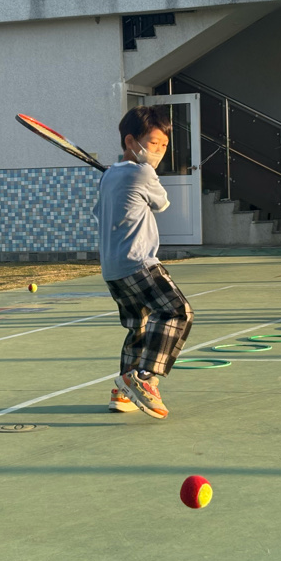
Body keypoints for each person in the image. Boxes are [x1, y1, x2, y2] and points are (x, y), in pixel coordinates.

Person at [93, 105, 193, 419]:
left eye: (164, 145)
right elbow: (162, 203)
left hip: (112, 269)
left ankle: (123, 392)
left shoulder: (108, 176)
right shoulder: (143, 172)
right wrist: (142, 175)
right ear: (130, 141)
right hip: (139, 262)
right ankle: (144, 378)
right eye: (153, 143)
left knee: (139, 326)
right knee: (178, 312)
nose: (159, 151)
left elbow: (99, 212)